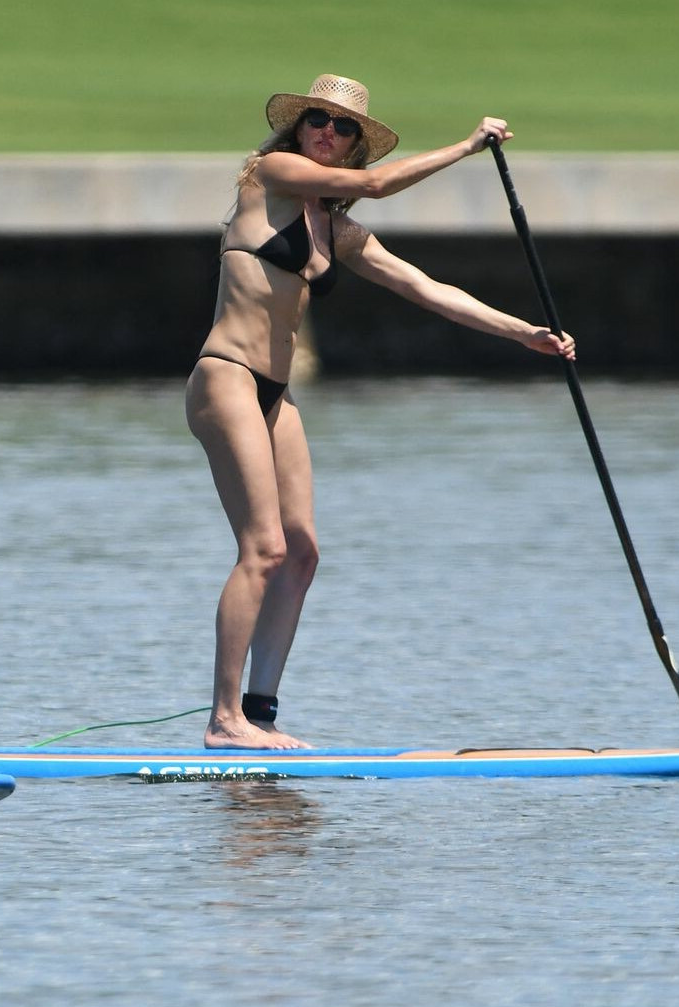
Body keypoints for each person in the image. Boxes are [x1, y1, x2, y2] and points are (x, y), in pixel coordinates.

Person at [187, 75, 577, 750]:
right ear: (297, 127)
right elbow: (373, 186)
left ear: (353, 144)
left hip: (277, 396)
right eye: (317, 119)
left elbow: (428, 289)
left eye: (343, 130)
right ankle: (224, 721)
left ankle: (261, 711)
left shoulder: (333, 229)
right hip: (225, 378)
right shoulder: (269, 175)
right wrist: (465, 147)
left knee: (303, 552)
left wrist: (526, 334)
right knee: (264, 547)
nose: (327, 134)